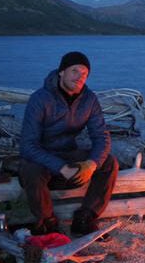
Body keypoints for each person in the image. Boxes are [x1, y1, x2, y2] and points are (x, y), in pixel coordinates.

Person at [19, 51, 118, 236]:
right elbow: (27, 145)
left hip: (68, 153)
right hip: (43, 157)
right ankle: (47, 223)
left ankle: (84, 219)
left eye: (85, 74)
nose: (80, 77)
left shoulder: (89, 99)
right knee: (31, 170)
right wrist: (61, 167)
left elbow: (101, 136)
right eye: (75, 71)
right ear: (61, 72)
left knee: (109, 162)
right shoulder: (40, 99)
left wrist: (91, 163)